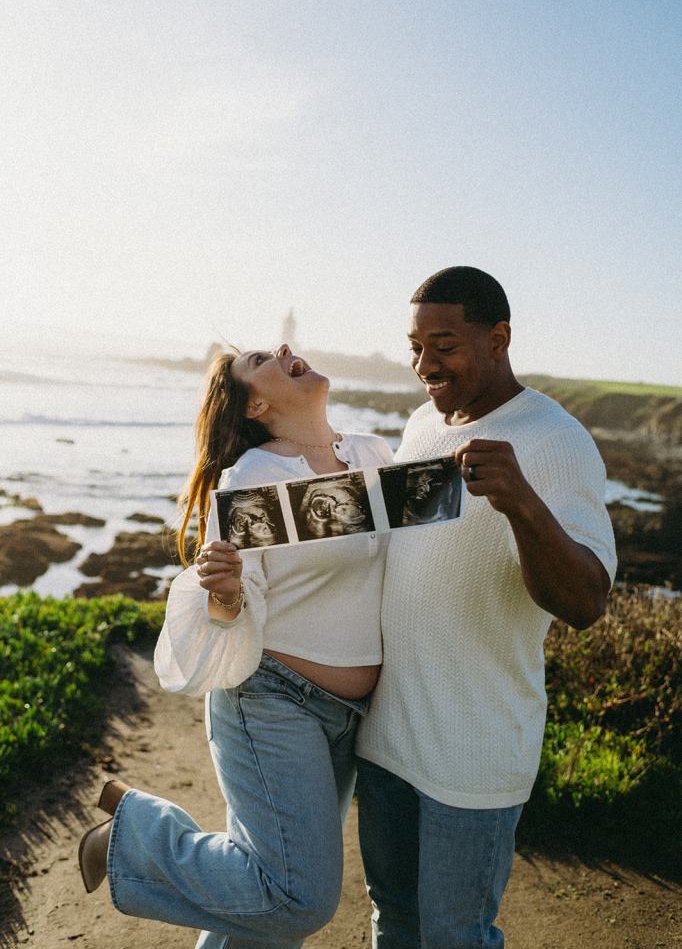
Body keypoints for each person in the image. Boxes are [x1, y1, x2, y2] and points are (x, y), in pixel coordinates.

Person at [77, 343, 393, 949]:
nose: (283, 349)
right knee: (298, 897)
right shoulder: (253, 478)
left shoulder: (372, 454)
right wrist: (224, 594)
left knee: (263, 911)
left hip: (351, 714)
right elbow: (238, 591)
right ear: (256, 403)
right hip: (273, 701)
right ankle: (133, 835)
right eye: (258, 360)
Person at [355, 266, 617, 949]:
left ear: (498, 338)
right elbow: (394, 551)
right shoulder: (421, 425)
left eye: (443, 346)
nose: (423, 365)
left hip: (472, 758)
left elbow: (586, 601)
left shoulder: (556, 441)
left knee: (453, 937)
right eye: (414, 347)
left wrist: (521, 501)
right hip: (386, 742)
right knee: (393, 924)